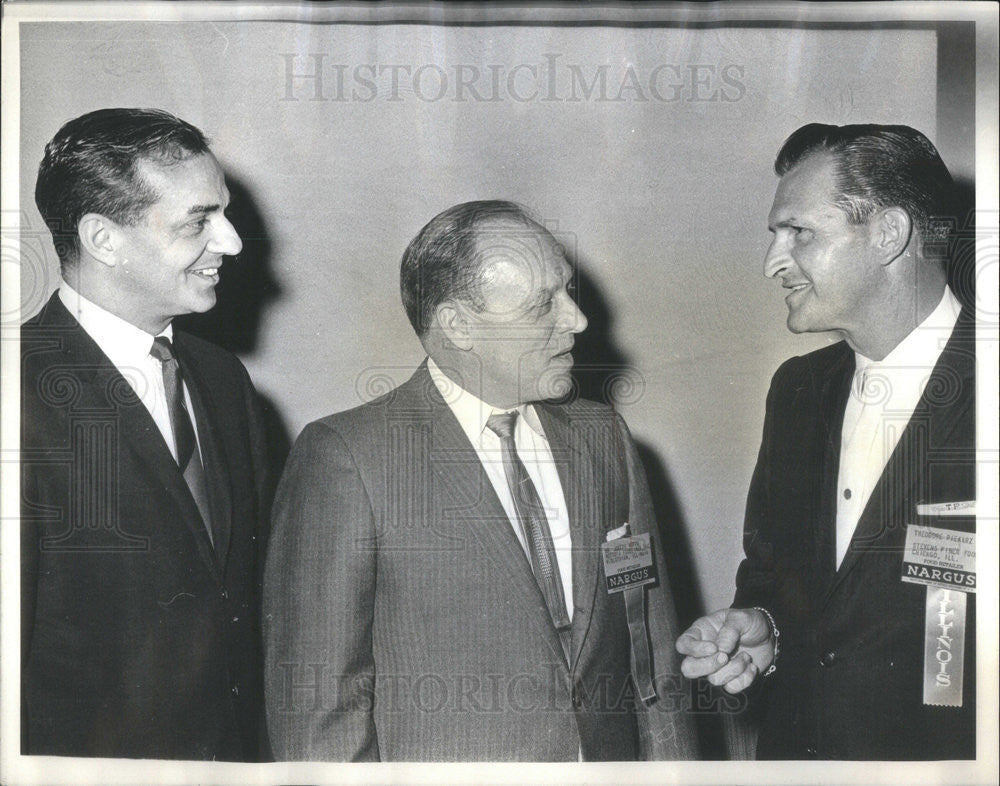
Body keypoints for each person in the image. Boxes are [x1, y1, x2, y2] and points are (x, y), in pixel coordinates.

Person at [264, 200, 696, 761]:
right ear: (457, 325)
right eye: (544, 304)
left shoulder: (604, 439)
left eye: (568, 291)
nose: (576, 320)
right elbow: (317, 706)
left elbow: (650, 649)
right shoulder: (348, 458)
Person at [676, 124, 975, 760]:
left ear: (890, 234)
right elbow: (773, 577)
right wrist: (769, 633)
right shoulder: (798, 392)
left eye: (799, 233)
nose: (772, 263)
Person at [21, 108, 270, 760]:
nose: (233, 242)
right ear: (104, 239)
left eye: (225, 212)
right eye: (198, 221)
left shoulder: (223, 381)